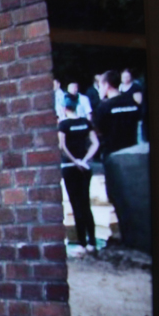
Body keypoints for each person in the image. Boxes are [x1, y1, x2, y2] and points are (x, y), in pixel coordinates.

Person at [59, 95, 100, 252]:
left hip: (70, 166)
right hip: (84, 166)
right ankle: (92, 242)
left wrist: (74, 161)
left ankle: (82, 242)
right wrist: (85, 159)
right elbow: (95, 143)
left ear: (64, 109)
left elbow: (62, 146)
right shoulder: (85, 122)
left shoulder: (64, 125)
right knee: (85, 204)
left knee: (76, 205)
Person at [93, 70, 141, 159]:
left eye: (100, 86)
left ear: (106, 85)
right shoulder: (132, 101)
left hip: (113, 153)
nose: (99, 89)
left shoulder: (103, 107)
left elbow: (98, 130)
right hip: (132, 150)